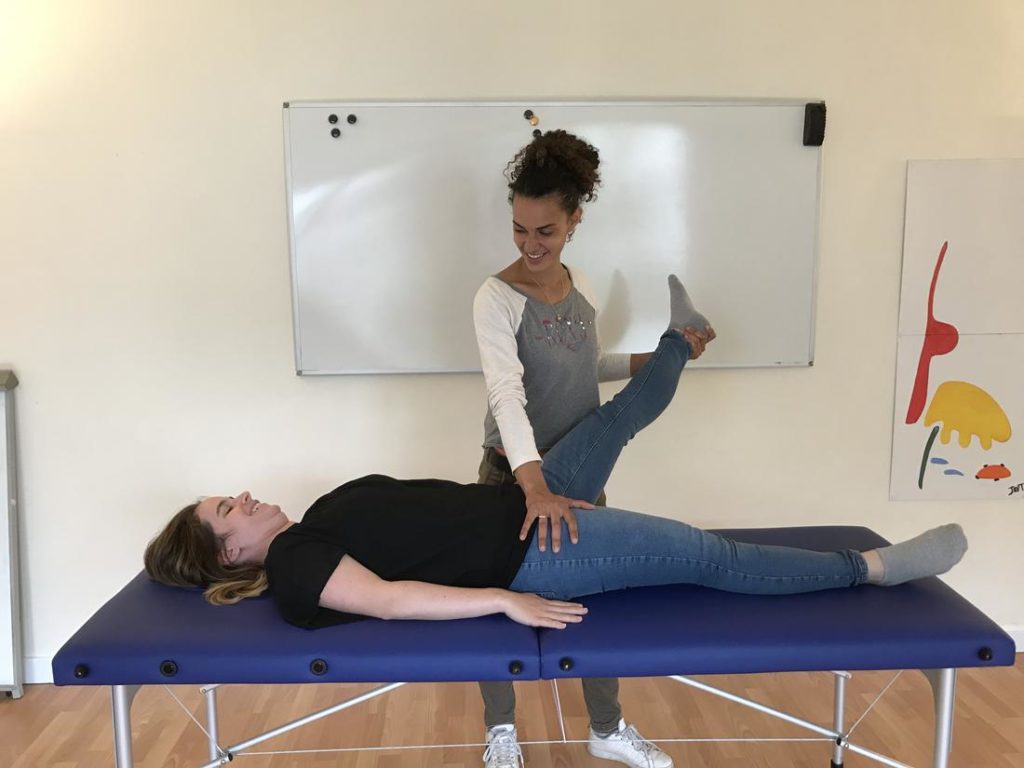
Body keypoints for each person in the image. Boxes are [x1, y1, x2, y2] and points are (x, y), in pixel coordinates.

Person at [145, 326, 968, 768]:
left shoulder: (317, 516)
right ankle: (869, 568)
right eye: (230, 509)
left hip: (529, 498)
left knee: (615, 416)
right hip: (541, 553)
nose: (244, 496)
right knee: (706, 555)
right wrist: (506, 599)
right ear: (229, 555)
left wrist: (533, 486)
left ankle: (680, 337)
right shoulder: (296, 566)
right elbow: (390, 602)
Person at [471, 128, 715, 767]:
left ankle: (606, 727)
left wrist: (659, 356)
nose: (530, 244)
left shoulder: (579, 285)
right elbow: (506, 395)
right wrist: (533, 488)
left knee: (593, 599)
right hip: (513, 479)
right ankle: (501, 731)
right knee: (498, 604)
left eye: (545, 231)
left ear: (574, 221)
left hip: (581, 473)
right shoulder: (495, 298)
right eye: (519, 229)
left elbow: (587, 366)